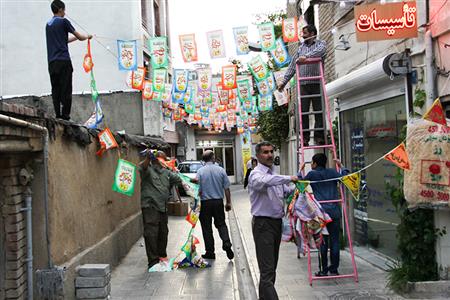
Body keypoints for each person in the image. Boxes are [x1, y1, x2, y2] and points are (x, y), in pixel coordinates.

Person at [248, 141, 298, 299]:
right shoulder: (256, 174)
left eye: (271, 151)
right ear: (258, 155)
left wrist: (300, 186)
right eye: (265, 152)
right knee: (267, 270)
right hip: (263, 224)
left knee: (270, 270)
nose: (270, 155)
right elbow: (265, 182)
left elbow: (286, 191)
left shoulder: (273, 173)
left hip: (276, 224)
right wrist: (289, 177)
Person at [297, 153, 349, 276]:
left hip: (321, 213)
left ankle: (324, 269)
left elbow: (299, 184)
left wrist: (300, 170)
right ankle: (334, 268)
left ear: (314, 163)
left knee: (323, 241)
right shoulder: (332, 172)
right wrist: (341, 166)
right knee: (335, 240)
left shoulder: (312, 174)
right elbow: (346, 177)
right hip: (334, 211)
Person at [277, 24, 326, 146]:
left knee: (318, 111)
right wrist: (284, 82)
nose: (302, 35)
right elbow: (293, 66)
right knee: (303, 112)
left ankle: (319, 137)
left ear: (312, 33)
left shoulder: (320, 44)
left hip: (316, 82)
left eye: (305, 33)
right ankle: (304, 138)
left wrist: (306, 57)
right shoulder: (300, 49)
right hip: (303, 84)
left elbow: (321, 51)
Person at [46, 0, 92, 120]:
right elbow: (81, 37)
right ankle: (65, 116)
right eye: (64, 10)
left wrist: (75, 39)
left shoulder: (48, 25)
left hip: (52, 62)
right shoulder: (64, 22)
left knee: (55, 88)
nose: (65, 12)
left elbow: (63, 41)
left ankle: (58, 115)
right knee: (66, 88)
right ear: (60, 9)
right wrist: (87, 36)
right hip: (63, 61)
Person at [139, 150, 182, 269]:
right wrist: (148, 158)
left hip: (163, 207)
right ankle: (153, 261)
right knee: (151, 233)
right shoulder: (148, 170)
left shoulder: (166, 172)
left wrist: (173, 169)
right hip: (150, 206)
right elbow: (142, 167)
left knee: (163, 232)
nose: (161, 162)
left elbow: (179, 180)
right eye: (159, 159)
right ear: (154, 160)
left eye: (164, 159)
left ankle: (162, 256)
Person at [194, 150, 234, 260]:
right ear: (213, 158)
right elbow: (226, 188)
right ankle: (226, 242)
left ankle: (210, 252)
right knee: (221, 224)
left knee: (207, 228)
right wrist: (228, 202)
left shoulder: (200, 172)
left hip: (205, 203)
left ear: (203, 160)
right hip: (218, 202)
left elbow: (197, 189)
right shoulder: (221, 170)